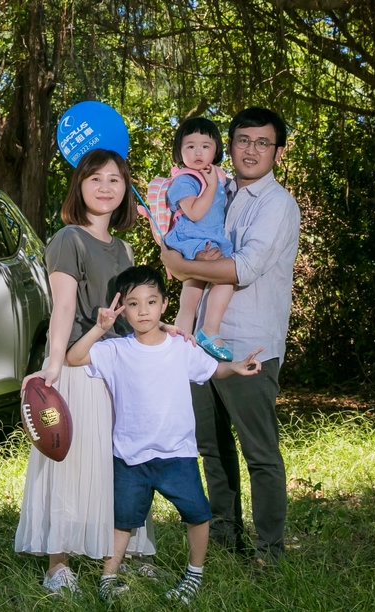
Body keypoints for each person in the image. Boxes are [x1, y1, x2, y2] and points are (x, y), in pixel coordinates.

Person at [65, 265, 264, 603]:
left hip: (177, 454)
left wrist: (234, 366)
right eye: (133, 304)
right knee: (123, 521)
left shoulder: (180, 347)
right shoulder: (116, 350)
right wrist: (100, 328)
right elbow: (74, 357)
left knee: (197, 514)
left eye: (151, 302)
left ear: (165, 304)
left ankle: (194, 575)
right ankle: (108, 578)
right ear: (123, 309)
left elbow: (212, 369)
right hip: (131, 457)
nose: (143, 311)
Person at [160, 107, 300, 562]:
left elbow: (245, 267)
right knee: (213, 449)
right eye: (243, 140)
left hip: (249, 345)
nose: (251, 150)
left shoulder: (276, 203)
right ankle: (223, 538)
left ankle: (269, 553)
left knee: (259, 453)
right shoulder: (217, 188)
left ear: (277, 151)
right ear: (230, 145)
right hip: (200, 345)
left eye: (263, 142)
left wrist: (180, 264)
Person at [15, 148, 155, 594]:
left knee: (119, 465)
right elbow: (63, 307)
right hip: (80, 365)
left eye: (115, 179)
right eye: (95, 179)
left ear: (125, 189)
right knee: (72, 463)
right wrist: (53, 365)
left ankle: (120, 554)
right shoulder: (68, 239)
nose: (105, 187)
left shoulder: (125, 248)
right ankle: (58, 565)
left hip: (119, 370)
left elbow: (135, 313)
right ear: (79, 186)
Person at [163, 117, 235, 361]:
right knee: (225, 279)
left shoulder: (218, 176)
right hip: (192, 239)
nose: (198, 152)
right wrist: (212, 185)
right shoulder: (185, 179)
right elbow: (194, 213)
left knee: (191, 294)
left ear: (216, 150)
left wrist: (215, 181)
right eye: (190, 146)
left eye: (205, 146)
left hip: (209, 238)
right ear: (179, 150)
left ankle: (181, 342)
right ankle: (209, 331)